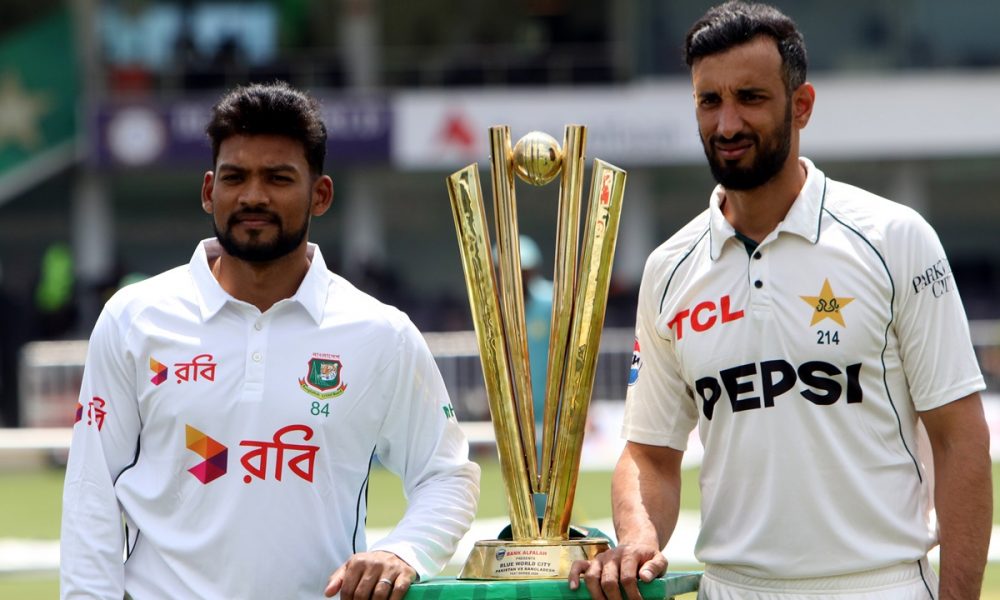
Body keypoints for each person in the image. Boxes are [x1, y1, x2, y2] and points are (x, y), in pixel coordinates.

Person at [568, 3, 991, 599]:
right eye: (709, 101)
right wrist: (638, 535)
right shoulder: (669, 269)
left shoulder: (895, 238)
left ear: (802, 105)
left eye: (750, 97)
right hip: (731, 588)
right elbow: (650, 453)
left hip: (878, 585)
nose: (727, 123)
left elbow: (960, 439)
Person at [60, 82, 480, 599]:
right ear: (209, 190)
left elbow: (446, 475)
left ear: (320, 194)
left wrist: (404, 550)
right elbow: (90, 493)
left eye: (278, 178)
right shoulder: (135, 317)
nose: (253, 196)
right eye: (235, 177)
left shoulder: (380, 332)